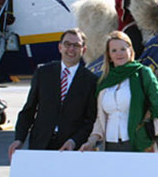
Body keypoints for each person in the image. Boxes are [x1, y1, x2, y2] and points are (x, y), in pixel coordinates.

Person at [79, 31, 158, 156]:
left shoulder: (143, 73)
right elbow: (100, 118)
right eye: (114, 50)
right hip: (109, 146)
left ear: (130, 51)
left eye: (122, 49)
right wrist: (91, 142)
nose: (119, 53)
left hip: (138, 143)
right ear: (109, 55)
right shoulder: (104, 81)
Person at [8, 29, 98, 161]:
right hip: (40, 144)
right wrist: (19, 139)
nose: (71, 49)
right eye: (67, 44)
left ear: (83, 50)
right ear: (60, 47)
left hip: (71, 148)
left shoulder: (91, 80)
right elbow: (29, 109)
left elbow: (91, 119)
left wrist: (74, 141)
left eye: (76, 45)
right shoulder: (43, 73)